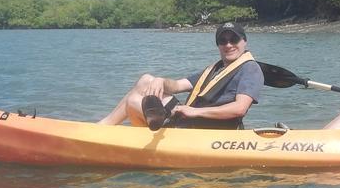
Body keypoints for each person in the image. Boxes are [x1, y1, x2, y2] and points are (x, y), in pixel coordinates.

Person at [97, 22, 263, 130]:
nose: (228, 45)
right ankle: (105, 127)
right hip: (191, 120)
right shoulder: (216, 69)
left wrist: (194, 112)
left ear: (244, 41)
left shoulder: (249, 68)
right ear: (218, 45)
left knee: (133, 102)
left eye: (234, 39)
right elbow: (177, 86)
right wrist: (161, 81)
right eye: (223, 41)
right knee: (146, 80)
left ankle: (110, 133)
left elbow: (239, 109)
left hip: (211, 127)